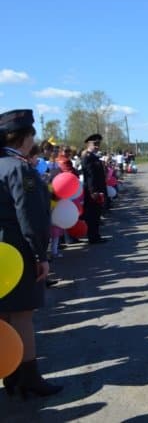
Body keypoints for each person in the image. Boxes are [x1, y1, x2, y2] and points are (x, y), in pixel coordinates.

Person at [0, 109, 62, 398]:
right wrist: (41, 255)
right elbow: (29, 216)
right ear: (25, 137)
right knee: (22, 315)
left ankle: (10, 374)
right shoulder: (18, 168)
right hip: (17, 249)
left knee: (4, 315)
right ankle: (29, 376)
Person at [81, 134, 108, 244]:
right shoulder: (87, 157)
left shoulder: (93, 156)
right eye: (95, 144)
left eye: (98, 144)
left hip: (98, 189)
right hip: (92, 191)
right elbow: (90, 176)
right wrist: (93, 192)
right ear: (89, 144)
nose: (97, 146)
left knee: (96, 214)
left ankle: (96, 235)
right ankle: (93, 237)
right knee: (92, 215)